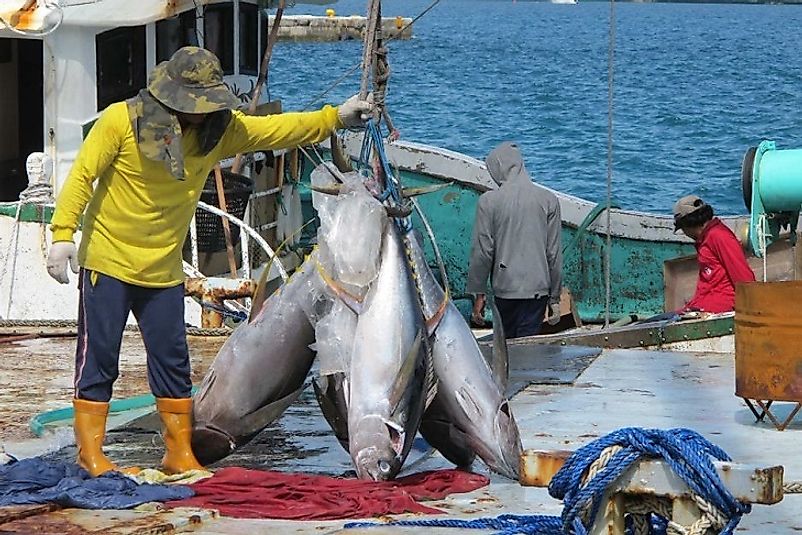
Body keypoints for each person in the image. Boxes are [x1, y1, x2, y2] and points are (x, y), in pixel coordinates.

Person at [45, 47, 373, 477]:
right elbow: (82, 177)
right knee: (99, 360)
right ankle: (91, 454)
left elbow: (277, 130)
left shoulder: (219, 131)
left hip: (163, 270)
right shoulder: (120, 121)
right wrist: (62, 235)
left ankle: (179, 451)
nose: (200, 113)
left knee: (173, 361)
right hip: (108, 264)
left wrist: (335, 117)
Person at [467, 141, 562, 339]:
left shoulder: (488, 201)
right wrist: (554, 299)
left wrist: (479, 293)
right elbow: (553, 253)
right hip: (538, 290)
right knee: (528, 345)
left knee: (506, 344)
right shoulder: (548, 199)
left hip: (505, 289)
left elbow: (483, 252)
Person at [672, 194, 755, 314]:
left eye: (683, 228)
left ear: (688, 224)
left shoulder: (719, 237)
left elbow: (744, 278)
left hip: (719, 307)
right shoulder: (707, 238)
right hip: (702, 304)